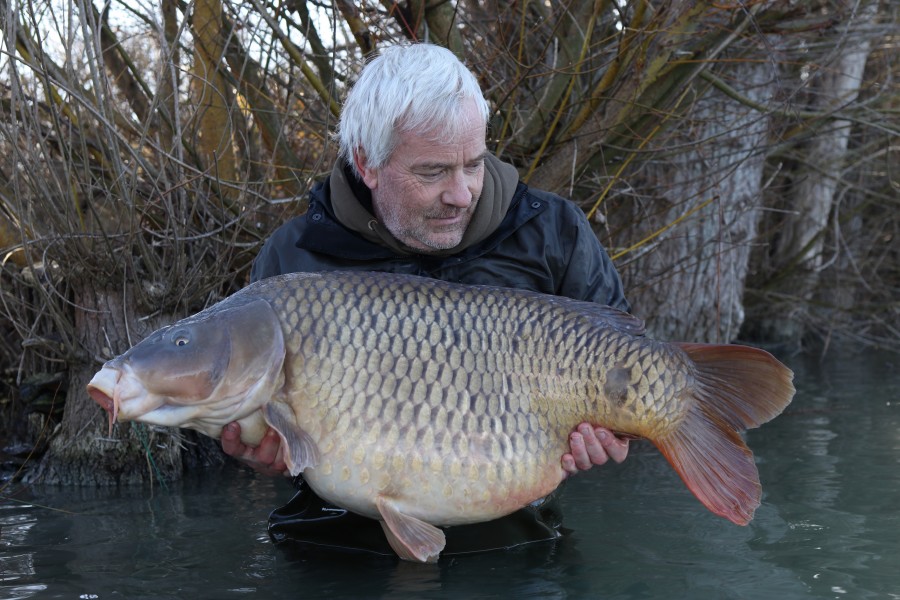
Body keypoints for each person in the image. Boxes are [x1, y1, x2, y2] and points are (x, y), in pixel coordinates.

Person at [221, 43, 631, 556]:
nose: (461, 193)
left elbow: (623, 374)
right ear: (368, 164)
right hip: (333, 547)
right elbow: (251, 419)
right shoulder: (295, 260)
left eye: (474, 165)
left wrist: (611, 434)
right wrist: (257, 456)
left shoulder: (552, 234)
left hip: (515, 544)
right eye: (433, 172)